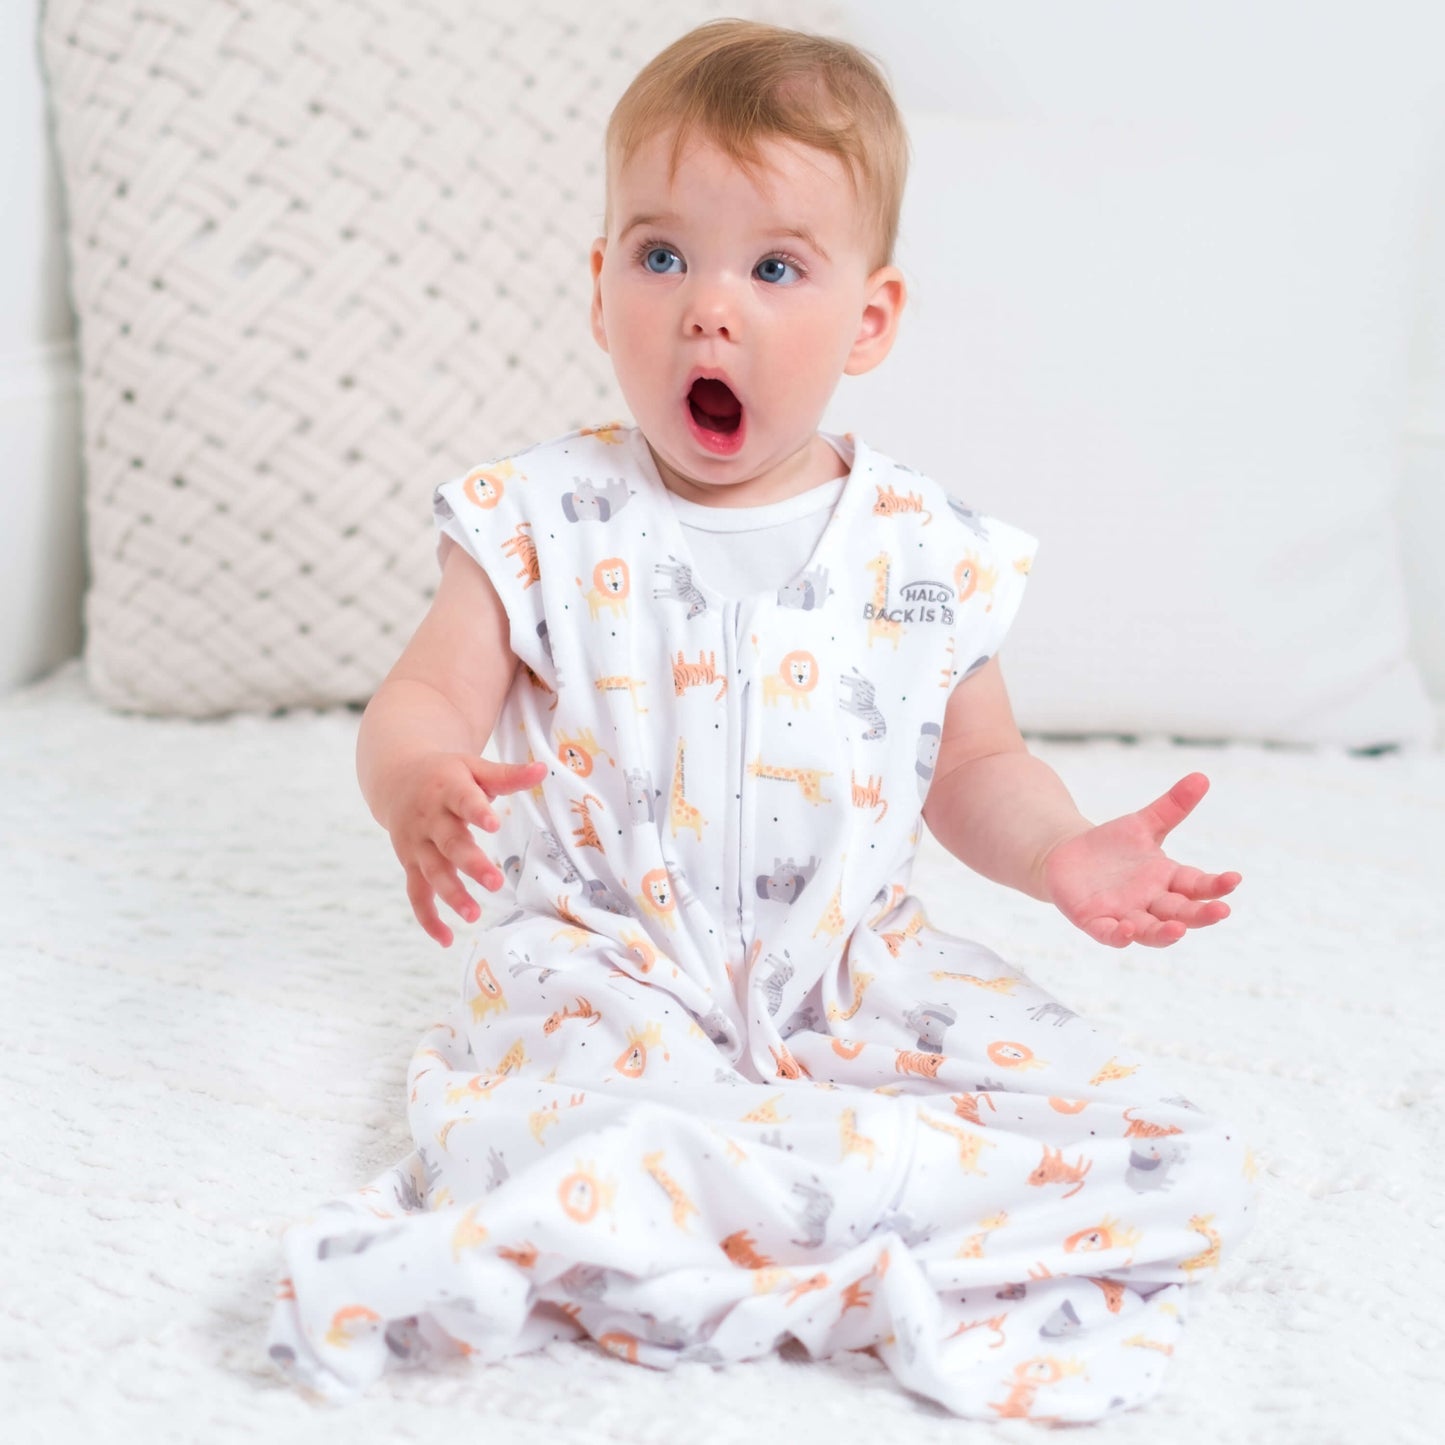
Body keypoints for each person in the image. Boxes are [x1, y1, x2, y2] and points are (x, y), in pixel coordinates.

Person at [265, 18, 1256, 1423]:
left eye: (774, 268)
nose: (707, 309)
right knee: (532, 1131)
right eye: (662, 255)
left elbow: (977, 762)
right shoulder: (537, 519)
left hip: (852, 971)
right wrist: (416, 775)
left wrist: (1060, 853)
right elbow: (426, 694)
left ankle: (774, 1192)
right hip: (611, 966)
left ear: (870, 318)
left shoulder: (920, 548)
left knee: (1176, 1154)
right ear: (599, 283)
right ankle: (770, 1187)